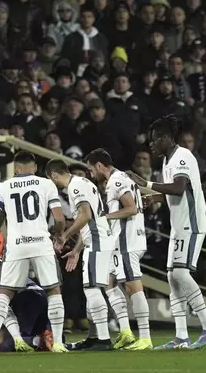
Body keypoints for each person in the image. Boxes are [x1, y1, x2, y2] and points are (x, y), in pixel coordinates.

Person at [128, 115, 206, 350]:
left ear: (167, 138)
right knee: (173, 277)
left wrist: (145, 184)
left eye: (154, 140)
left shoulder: (182, 156)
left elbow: (179, 188)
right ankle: (181, 336)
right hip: (179, 225)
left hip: (192, 223)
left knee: (180, 274)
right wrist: (156, 198)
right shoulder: (167, 160)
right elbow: (175, 191)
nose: (151, 144)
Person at [0, 151, 68, 353]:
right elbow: (59, 218)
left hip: (16, 244)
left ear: (16, 168)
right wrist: (59, 235)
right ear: (34, 167)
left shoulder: (4, 186)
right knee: (53, 291)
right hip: (41, 243)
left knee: (4, 293)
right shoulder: (46, 184)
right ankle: (58, 344)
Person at [85, 148, 153, 351]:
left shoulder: (116, 180)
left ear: (99, 166)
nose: (90, 174)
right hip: (122, 241)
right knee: (109, 282)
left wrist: (105, 217)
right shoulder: (122, 178)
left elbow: (130, 207)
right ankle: (125, 332)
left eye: (90, 169)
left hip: (126, 242)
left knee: (133, 286)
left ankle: (146, 336)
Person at [45, 158, 115, 351]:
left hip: (98, 240)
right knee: (90, 288)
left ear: (53, 175)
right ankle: (94, 337)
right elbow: (88, 219)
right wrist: (76, 250)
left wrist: (64, 236)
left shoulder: (74, 187)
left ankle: (103, 339)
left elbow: (86, 216)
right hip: (96, 239)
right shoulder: (83, 183)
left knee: (92, 289)